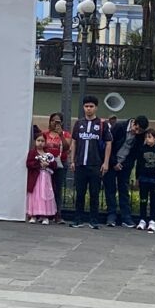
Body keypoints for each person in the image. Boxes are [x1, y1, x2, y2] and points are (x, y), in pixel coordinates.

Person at [69, 98, 110, 229]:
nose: (88, 108)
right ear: (83, 107)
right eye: (86, 106)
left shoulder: (102, 124)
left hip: (95, 164)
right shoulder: (78, 123)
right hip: (80, 163)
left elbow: (109, 143)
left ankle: (94, 219)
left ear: (96, 108)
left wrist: (106, 162)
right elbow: (74, 142)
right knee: (80, 193)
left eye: (91, 106)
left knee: (94, 193)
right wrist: (72, 160)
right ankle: (78, 219)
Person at [110, 115, 151, 228]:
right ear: (133, 123)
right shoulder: (119, 127)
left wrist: (124, 164)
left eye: (140, 131)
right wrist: (114, 163)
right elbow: (109, 145)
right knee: (110, 189)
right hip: (112, 162)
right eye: (136, 129)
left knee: (124, 189)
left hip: (125, 164)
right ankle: (111, 215)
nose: (136, 132)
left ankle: (126, 217)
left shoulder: (140, 135)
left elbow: (135, 153)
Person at [38, 113, 71, 224]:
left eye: (58, 121)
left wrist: (60, 135)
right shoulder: (45, 134)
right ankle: (44, 213)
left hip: (60, 163)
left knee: (57, 188)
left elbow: (67, 147)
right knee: (45, 188)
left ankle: (57, 214)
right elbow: (39, 146)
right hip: (46, 164)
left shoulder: (65, 134)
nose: (55, 123)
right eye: (53, 120)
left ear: (61, 122)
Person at [135, 129, 155, 232]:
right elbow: (138, 165)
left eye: (150, 137)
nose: (147, 139)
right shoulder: (142, 149)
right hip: (143, 178)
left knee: (154, 201)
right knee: (143, 200)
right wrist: (137, 178)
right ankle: (142, 219)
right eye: (146, 137)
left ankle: (152, 220)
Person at [26, 134, 58, 224]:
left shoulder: (48, 153)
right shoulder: (32, 152)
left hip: (46, 177)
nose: (40, 143)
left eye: (42, 141)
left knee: (45, 195)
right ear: (35, 142)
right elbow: (29, 163)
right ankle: (33, 215)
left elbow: (54, 164)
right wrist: (39, 164)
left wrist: (48, 164)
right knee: (35, 195)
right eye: (38, 141)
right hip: (36, 178)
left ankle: (45, 216)